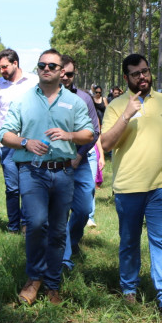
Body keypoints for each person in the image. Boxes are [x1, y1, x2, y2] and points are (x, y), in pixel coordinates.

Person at [100, 53, 162, 317]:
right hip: (128, 186)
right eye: (135, 73)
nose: (142, 77)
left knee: (161, 240)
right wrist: (127, 115)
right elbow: (106, 144)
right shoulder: (116, 106)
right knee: (129, 240)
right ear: (126, 77)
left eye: (145, 71)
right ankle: (129, 290)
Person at [0, 49, 94, 305]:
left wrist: (69, 135)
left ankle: (52, 284)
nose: (47, 69)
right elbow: (4, 134)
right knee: (37, 224)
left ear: (62, 71)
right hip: (32, 171)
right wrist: (25, 142)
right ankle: (33, 279)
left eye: (53, 65)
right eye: (42, 65)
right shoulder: (23, 100)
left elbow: (89, 134)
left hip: (63, 172)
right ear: (38, 68)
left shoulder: (74, 102)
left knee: (58, 231)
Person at [0, 48, 39, 234]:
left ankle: (26, 224)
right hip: (7, 145)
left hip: (29, 143)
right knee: (12, 188)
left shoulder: (34, 81)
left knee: (29, 186)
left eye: (4, 67)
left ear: (15, 63)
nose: (1, 71)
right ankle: (13, 225)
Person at [59, 55, 101, 271]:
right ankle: (64, 257)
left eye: (70, 74)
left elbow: (95, 130)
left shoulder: (85, 98)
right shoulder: (46, 96)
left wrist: (79, 155)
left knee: (84, 209)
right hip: (54, 161)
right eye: (62, 72)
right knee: (60, 209)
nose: (65, 77)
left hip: (79, 160)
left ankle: (71, 242)